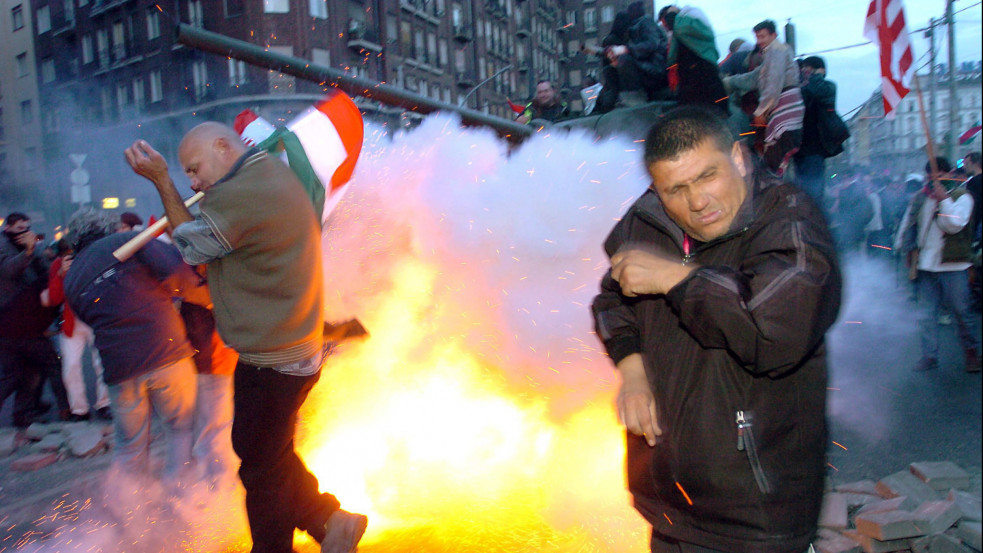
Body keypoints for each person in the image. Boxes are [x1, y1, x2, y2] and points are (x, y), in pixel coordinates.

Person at [591, 106, 841, 553]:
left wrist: (676, 278)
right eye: (676, 189)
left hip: (753, 515)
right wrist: (632, 371)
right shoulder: (647, 220)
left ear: (739, 158)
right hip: (669, 503)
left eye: (707, 176)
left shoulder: (790, 220)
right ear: (656, 188)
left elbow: (774, 334)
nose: (697, 202)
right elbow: (613, 300)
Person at [124, 122, 367, 553]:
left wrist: (162, 180)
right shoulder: (260, 176)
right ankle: (329, 520)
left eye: (194, 169)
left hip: (276, 355)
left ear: (223, 147)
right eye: (185, 174)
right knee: (265, 452)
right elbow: (205, 241)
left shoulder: (247, 191)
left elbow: (192, 248)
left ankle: (293, 538)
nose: (193, 182)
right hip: (283, 346)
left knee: (261, 469)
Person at [63, 208, 203, 481]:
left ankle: (129, 500)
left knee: (129, 445)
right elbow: (176, 270)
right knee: (181, 429)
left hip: (118, 368)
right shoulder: (126, 241)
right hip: (164, 351)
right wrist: (198, 293)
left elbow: (87, 315)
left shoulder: (72, 276)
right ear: (108, 227)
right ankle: (181, 493)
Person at [894, 157, 980, 373]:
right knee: (926, 314)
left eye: (939, 176)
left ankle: (971, 351)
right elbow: (909, 222)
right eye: (930, 177)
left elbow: (954, 224)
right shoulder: (920, 197)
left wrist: (944, 200)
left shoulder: (962, 197)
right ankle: (929, 355)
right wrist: (902, 246)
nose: (934, 181)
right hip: (926, 264)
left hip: (953, 265)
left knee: (961, 312)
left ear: (949, 174)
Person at [1, 213, 66, 428]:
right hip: (10, 317)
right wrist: (29, 251)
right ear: (8, 228)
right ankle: (62, 411)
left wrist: (47, 256)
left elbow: (44, 272)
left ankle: (25, 414)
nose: (25, 232)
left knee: (28, 371)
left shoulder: (29, 245)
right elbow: (9, 271)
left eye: (27, 228)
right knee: (16, 373)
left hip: (28, 315)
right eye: (20, 228)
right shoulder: (3, 246)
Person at [42, 237, 112, 422]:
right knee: (70, 366)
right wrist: (60, 274)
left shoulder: (93, 260)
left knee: (102, 363)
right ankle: (79, 409)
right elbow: (55, 298)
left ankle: (105, 403)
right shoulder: (58, 265)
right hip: (71, 320)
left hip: (95, 317)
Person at [724, 20, 804, 175]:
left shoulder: (776, 50)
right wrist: (730, 82)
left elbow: (773, 82)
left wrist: (761, 110)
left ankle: (778, 186)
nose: (759, 41)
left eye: (763, 36)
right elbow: (756, 77)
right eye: (757, 37)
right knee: (776, 156)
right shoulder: (773, 52)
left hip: (785, 106)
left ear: (773, 35)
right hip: (784, 106)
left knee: (776, 156)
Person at [666, 6, 728, 117]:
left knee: (692, 109)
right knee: (716, 102)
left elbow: (671, 56)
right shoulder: (702, 23)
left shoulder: (679, 25)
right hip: (709, 69)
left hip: (690, 73)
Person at [603, 2, 671, 105]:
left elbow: (652, 44)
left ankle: (634, 99)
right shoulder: (637, 27)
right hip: (650, 68)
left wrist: (627, 49)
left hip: (656, 70)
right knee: (613, 67)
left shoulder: (645, 23)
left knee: (624, 60)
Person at [793, 56, 839, 204]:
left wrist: (815, 77)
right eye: (804, 70)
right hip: (799, 148)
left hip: (814, 150)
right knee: (800, 190)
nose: (806, 73)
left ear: (821, 71)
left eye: (810, 70)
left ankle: (813, 214)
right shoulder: (802, 89)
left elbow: (817, 91)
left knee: (813, 192)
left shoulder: (828, 87)